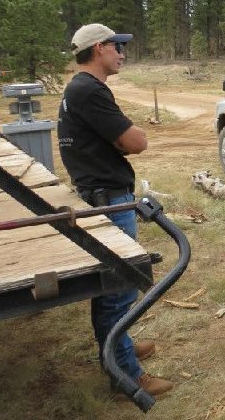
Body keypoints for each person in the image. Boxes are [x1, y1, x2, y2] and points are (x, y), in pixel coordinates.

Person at [57, 23, 174, 397]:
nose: (122, 54)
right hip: (108, 200)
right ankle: (125, 373)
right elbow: (135, 141)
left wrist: (122, 142)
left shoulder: (80, 89)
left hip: (102, 195)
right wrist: (130, 140)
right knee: (119, 286)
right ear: (98, 48)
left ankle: (117, 346)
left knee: (111, 285)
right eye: (117, 47)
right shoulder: (90, 90)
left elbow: (117, 141)